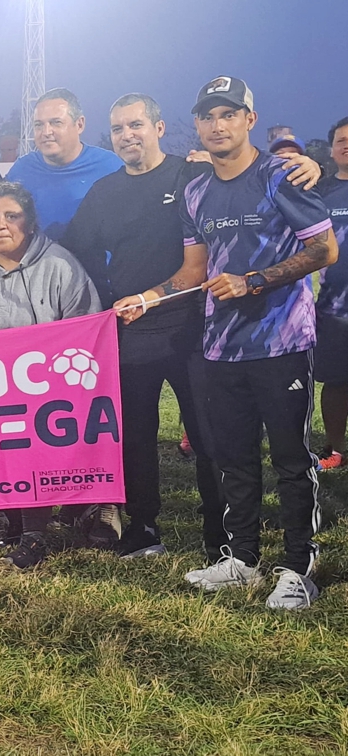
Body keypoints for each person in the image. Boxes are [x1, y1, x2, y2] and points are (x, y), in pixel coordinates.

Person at [72, 93, 324, 559]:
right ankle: (144, 528)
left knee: (211, 438)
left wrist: (312, 166)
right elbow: (73, 248)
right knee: (136, 438)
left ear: (159, 128)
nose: (127, 135)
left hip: (199, 329)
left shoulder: (192, 174)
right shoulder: (104, 191)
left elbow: (248, 175)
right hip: (134, 329)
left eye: (136, 125)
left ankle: (221, 538)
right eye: (118, 129)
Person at [173, 76, 337, 610]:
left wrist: (255, 281)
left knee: (291, 459)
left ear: (249, 119)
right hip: (221, 346)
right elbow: (194, 270)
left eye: (228, 114)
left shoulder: (281, 175)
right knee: (234, 458)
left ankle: (298, 568)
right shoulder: (194, 191)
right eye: (207, 116)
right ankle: (241, 559)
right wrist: (143, 298)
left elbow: (325, 250)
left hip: (283, 342)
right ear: (197, 124)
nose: (217, 125)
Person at [0, 182, 101, 568]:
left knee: (32, 448)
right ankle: (11, 522)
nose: (1, 224)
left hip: (43, 384)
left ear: (30, 222)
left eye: (12, 216)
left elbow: (84, 325)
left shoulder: (61, 264)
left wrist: (35, 359)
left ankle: (35, 534)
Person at [5, 88, 124, 241]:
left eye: (56, 123)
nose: (46, 132)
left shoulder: (111, 166)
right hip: (36, 257)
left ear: (79, 124)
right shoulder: (21, 170)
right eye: (38, 125)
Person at [312, 117, 348, 470]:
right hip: (335, 307)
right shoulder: (320, 192)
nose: (347, 145)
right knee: (336, 381)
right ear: (332, 149)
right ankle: (336, 448)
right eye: (341, 140)